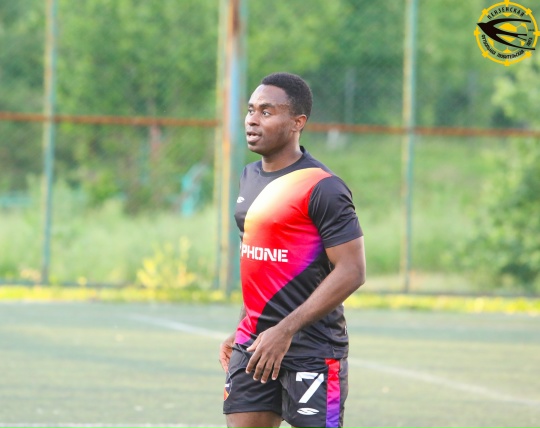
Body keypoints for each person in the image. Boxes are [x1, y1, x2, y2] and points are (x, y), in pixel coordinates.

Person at [219, 72, 366, 428]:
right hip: (255, 344)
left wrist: (284, 331)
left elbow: (352, 271)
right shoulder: (249, 176)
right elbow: (260, 263)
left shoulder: (323, 187)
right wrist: (243, 325)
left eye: (267, 112)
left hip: (313, 349)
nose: (252, 119)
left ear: (297, 122)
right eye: (251, 110)